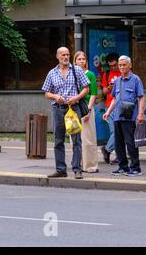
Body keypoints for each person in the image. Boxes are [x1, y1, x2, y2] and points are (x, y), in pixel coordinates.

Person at [42, 47, 90, 179]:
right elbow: (46, 93)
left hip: (73, 109)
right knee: (58, 140)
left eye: (68, 54)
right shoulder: (52, 73)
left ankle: (77, 169)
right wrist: (55, 96)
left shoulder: (77, 70)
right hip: (58, 109)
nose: (66, 57)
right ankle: (61, 170)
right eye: (63, 55)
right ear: (57, 56)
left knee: (76, 140)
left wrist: (76, 98)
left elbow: (86, 88)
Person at [103, 55, 145, 177]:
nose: (121, 67)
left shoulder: (135, 79)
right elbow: (115, 99)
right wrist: (108, 112)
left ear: (130, 65)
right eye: (120, 65)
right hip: (117, 116)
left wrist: (140, 113)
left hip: (130, 117)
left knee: (130, 143)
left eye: (124, 65)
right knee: (118, 143)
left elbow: (141, 97)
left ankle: (136, 168)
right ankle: (123, 167)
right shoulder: (117, 81)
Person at [74, 51, 99, 173]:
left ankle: (90, 165)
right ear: (75, 61)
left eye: (83, 59)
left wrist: (88, 110)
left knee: (89, 138)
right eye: (79, 59)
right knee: (76, 138)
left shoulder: (90, 74)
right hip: (74, 109)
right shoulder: (72, 74)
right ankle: (77, 164)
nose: (81, 61)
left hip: (86, 107)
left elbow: (93, 93)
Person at [100, 52, 121, 164]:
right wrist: (109, 87)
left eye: (115, 65)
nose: (113, 67)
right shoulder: (107, 74)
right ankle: (110, 151)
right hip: (110, 105)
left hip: (122, 106)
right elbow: (104, 92)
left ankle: (107, 150)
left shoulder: (123, 72)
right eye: (111, 65)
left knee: (119, 132)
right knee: (115, 131)